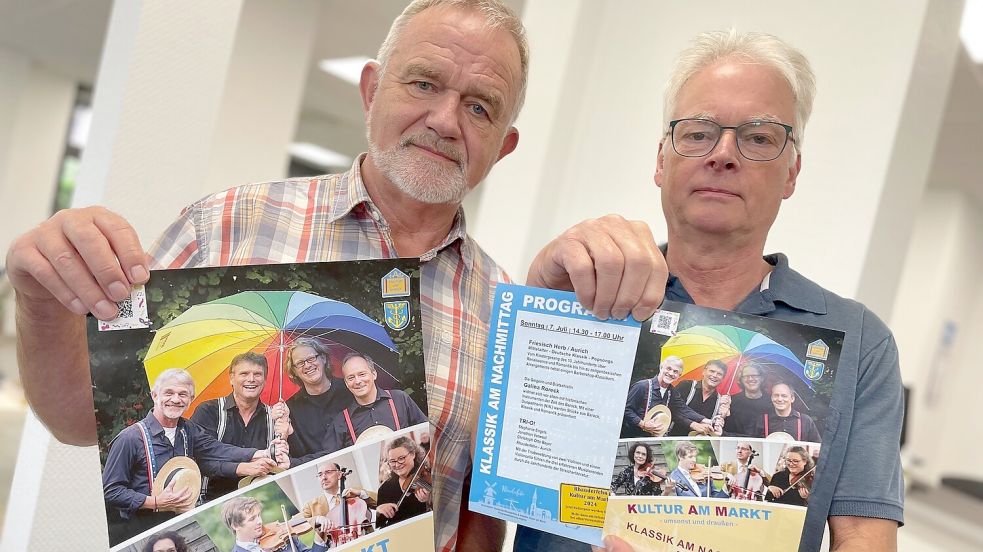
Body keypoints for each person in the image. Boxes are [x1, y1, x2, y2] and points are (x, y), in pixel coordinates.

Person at [8, 1, 666, 549]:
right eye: (423, 83)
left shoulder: (505, 311)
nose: (443, 120)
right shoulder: (226, 223)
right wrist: (41, 303)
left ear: (505, 145)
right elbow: (76, 419)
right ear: (372, 89)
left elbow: (480, 521)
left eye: (479, 107)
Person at [521, 29, 903, 552]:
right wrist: (541, 298)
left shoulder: (859, 342)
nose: (723, 154)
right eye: (698, 132)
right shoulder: (578, 292)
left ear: (792, 171)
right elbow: (495, 482)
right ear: (661, 160)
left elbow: (864, 538)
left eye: (760, 138)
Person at [102, 369, 287, 545]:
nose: (175, 399)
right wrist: (155, 502)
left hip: (183, 523)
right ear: (155, 396)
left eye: (183, 394)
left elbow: (216, 449)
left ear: (190, 399)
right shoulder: (130, 438)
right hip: (144, 529)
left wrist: (261, 453)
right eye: (169, 393)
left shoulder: (187, 429)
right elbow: (111, 491)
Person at [190, 352, 292, 501]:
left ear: (264, 379)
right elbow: (200, 459)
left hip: (259, 502)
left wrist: (284, 436)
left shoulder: (274, 417)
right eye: (244, 373)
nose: (251, 379)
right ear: (231, 378)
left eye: (258, 374)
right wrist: (243, 467)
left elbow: (281, 466)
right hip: (211, 502)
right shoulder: (209, 411)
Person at [323, 353, 429, 451]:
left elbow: (427, 433)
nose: (357, 381)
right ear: (346, 383)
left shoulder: (400, 399)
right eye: (351, 378)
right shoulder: (341, 421)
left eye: (362, 374)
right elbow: (329, 459)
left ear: (374, 374)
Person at [283, 338, 354, 462]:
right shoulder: (290, 409)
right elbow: (297, 455)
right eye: (300, 363)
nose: (307, 365)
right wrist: (285, 433)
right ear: (294, 371)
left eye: (311, 358)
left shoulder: (350, 390)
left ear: (323, 358)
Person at [623, 356, 712, 438]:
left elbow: (684, 409)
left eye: (675, 372)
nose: (671, 373)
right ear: (661, 368)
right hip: (632, 436)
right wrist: (642, 424)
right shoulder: (642, 386)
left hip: (653, 438)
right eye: (668, 368)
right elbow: (626, 409)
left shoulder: (672, 392)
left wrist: (706, 420)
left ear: (678, 376)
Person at [302, 461, 375, 547]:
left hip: (365, 544)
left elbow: (380, 502)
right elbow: (298, 525)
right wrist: (317, 519)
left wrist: (361, 493)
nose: (324, 477)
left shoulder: (355, 492)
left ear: (339, 474)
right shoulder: (311, 506)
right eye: (320, 474)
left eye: (328, 472)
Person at [222, 496, 328, 552]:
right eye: (252, 519)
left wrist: (319, 538)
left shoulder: (282, 536)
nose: (259, 521)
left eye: (259, 515)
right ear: (235, 526)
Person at [375, 436, 431, 529]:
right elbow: (378, 525)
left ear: (413, 454)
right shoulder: (384, 489)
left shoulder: (429, 476)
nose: (397, 465)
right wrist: (378, 510)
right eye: (392, 461)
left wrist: (429, 500)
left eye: (401, 458)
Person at [668, 359, 728, 436]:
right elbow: (672, 410)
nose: (714, 376)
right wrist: (692, 424)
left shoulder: (720, 401)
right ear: (704, 372)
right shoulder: (686, 386)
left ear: (723, 378)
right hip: (673, 439)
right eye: (712, 371)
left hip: (699, 444)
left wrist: (721, 419)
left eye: (719, 374)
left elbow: (714, 429)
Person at [753, 381, 821, 442]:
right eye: (776, 395)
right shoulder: (761, 421)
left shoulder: (806, 421)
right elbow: (751, 446)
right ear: (771, 398)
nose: (779, 399)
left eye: (784, 396)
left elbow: (817, 449)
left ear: (792, 398)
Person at [726, 363, 771, 436]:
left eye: (754, 375)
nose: (750, 379)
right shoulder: (732, 401)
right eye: (746, 376)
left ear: (762, 378)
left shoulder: (771, 401)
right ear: (741, 379)